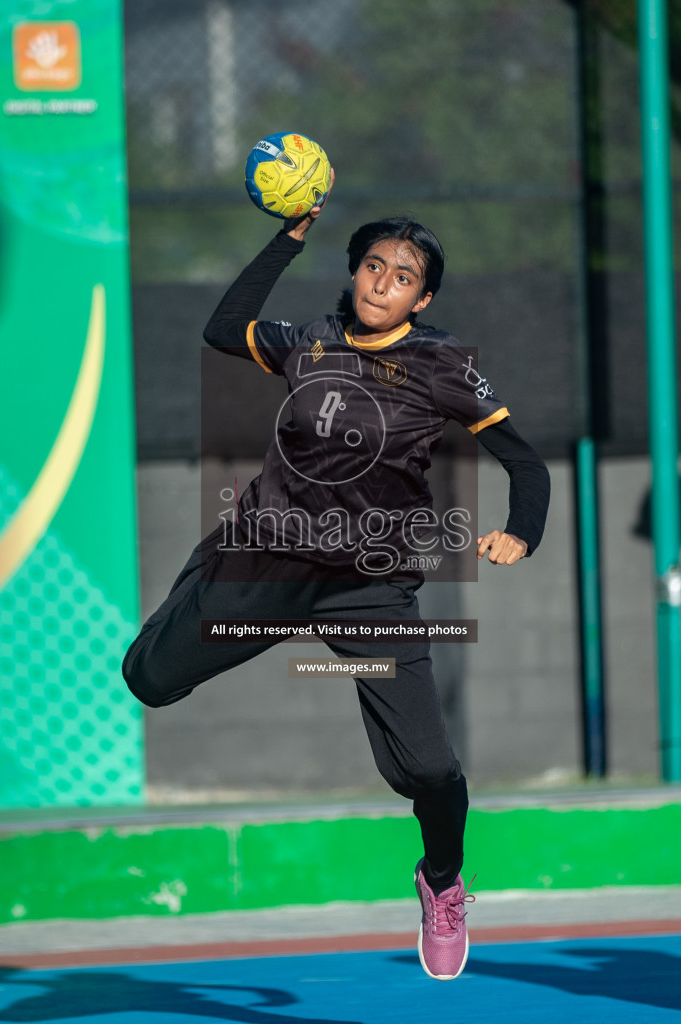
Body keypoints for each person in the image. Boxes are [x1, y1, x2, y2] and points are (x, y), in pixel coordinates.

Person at [122, 177, 550, 981]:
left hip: (368, 585)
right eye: (372, 267)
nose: (383, 283)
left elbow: (525, 465)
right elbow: (222, 328)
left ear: (422, 299)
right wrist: (289, 235)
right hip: (267, 561)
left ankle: (443, 881)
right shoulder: (310, 338)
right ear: (352, 273)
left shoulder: (441, 367)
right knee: (145, 679)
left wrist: (520, 533)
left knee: (426, 769)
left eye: (403, 276)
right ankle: (209, 569)